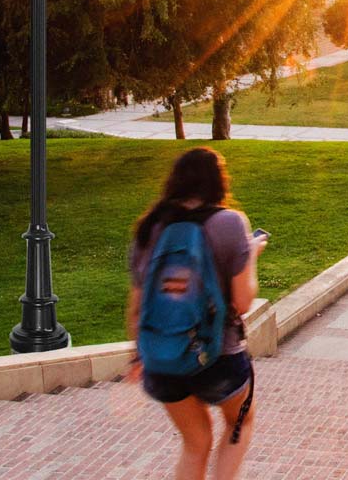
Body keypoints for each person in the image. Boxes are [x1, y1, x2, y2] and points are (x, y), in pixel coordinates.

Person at [126, 147, 266, 480]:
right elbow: (243, 302)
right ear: (219, 182)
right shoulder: (230, 223)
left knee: (195, 442)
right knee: (239, 423)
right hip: (216, 357)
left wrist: (139, 356)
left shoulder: (150, 227)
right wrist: (252, 254)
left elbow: (136, 307)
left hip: (162, 361)